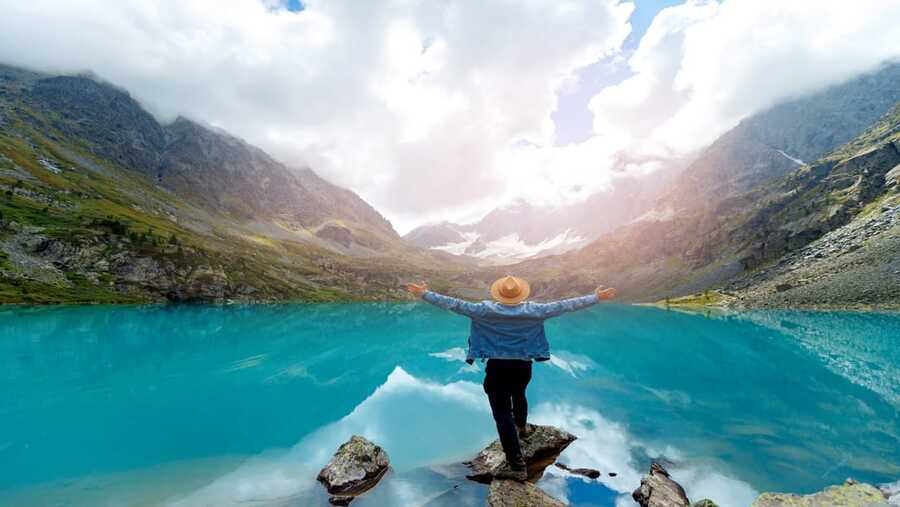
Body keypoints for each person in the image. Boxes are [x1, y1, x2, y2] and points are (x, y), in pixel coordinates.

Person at [406, 275, 617, 481]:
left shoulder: (484, 310)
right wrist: (596, 297)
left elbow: (453, 304)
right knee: (519, 393)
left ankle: (517, 466)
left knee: (502, 414)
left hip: (497, 368)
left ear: (499, 294)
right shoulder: (534, 310)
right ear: (519, 294)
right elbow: (565, 305)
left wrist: (424, 293)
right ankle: (522, 428)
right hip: (523, 366)